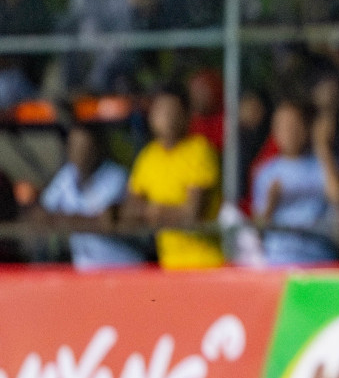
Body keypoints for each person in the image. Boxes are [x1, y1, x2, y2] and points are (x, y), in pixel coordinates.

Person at [123, 86, 223, 269]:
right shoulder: (148, 156)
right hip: (168, 265)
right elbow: (130, 212)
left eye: (173, 111)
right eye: (161, 110)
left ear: (186, 115)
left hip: (204, 264)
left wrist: (153, 211)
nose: (167, 117)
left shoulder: (200, 151)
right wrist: (165, 212)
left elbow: (193, 214)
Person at [36, 123, 144, 270]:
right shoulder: (68, 174)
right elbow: (43, 211)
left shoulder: (116, 176)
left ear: (97, 148)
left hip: (121, 267)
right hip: (85, 270)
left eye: (84, 146)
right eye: (74, 146)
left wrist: (64, 219)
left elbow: (102, 222)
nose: (79, 152)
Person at [251, 100, 339, 265]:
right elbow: (257, 228)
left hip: (320, 259)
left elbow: (338, 198)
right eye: (284, 126)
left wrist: (323, 147)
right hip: (278, 262)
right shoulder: (265, 172)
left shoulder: (326, 164)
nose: (290, 132)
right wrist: (271, 204)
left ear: (307, 127)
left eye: (295, 124)